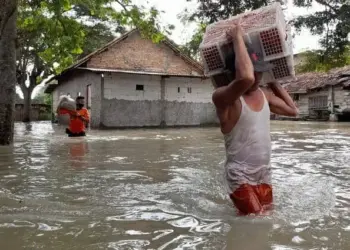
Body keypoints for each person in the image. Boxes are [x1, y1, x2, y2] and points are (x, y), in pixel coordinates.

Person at [212, 24, 299, 215]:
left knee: (267, 216)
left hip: (264, 173)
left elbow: (293, 111)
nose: (257, 75)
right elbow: (245, 78)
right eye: (254, 70)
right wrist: (237, 36)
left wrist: (274, 82)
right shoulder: (224, 98)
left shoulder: (265, 94)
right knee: (256, 219)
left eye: (260, 70)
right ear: (231, 73)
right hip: (240, 174)